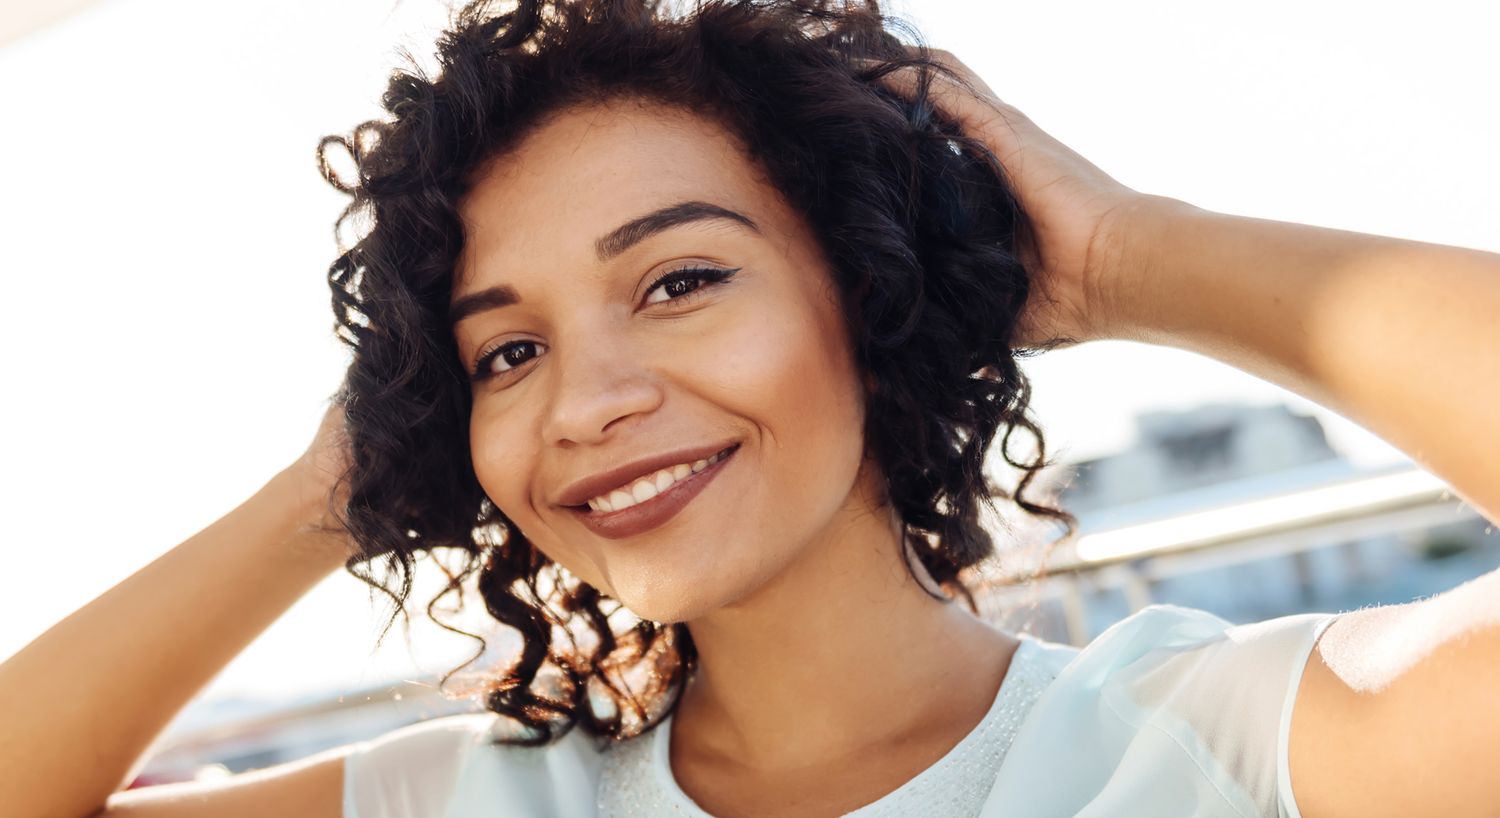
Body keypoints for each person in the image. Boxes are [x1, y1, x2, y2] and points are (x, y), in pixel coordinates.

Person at [4, 0, 1498, 816]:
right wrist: (337, 486)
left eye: (676, 282)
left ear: (862, 287)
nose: (589, 398)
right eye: (502, 356)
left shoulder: (1223, 747)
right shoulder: (463, 804)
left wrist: (1123, 254)